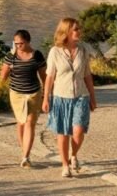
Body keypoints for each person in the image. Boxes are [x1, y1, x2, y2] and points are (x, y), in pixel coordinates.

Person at [42, 17, 97, 178]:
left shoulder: (83, 50)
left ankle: (73, 154)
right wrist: (46, 98)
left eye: (79, 28)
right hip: (61, 97)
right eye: (75, 29)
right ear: (66, 31)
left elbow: (87, 75)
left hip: (81, 95)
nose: (79, 31)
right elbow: (50, 77)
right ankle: (65, 165)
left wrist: (92, 97)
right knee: (63, 132)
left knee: (78, 131)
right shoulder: (55, 51)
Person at [0, 29, 46, 168]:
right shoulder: (11, 56)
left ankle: (26, 156)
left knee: (30, 122)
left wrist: (47, 94)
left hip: (33, 93)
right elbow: (3, 76)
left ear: (28, 41)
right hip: (16, 93)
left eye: (21, 43)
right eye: (16, 43)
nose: (18, 46)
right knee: (21, 122)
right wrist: (8, 68)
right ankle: (23, 150)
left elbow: (44, 76)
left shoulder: (37, 55)